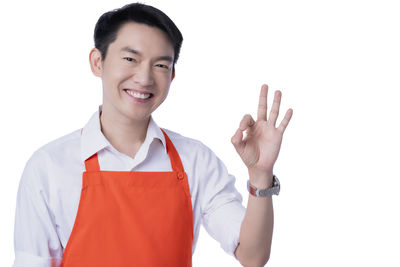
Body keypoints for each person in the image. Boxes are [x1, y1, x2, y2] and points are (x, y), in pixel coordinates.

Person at [13, 2, 293, 267]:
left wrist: (260, 176)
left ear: (171, 76)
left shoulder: (196, 161)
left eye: (160, 65)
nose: (145, 78)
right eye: (130, 58)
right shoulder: (48, 167)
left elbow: (253, 255)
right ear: (98, 62)